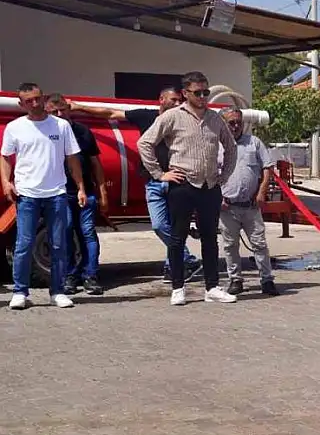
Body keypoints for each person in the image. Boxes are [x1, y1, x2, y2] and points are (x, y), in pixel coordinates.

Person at [71, 87, 202, 282]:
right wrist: (79, 107)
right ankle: (186, 258)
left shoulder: (184, 120)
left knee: (173, 226)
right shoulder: (145, 117)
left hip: (178, 181)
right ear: (161, 99)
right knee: (159, 225)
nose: (177, 104)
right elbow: (111, 113)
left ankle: (173, 266)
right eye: (173, 100)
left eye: (179, 100)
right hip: (154, 181)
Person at [137, 71, 238, 306]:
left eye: (206, 92)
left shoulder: (215, 118)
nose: (203, 97)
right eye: (198, 93)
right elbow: (145, 143)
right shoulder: (172, 116)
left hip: (210, 185)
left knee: (210, 239)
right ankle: (178, 287)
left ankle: (212, 287)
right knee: (177, 237)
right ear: (185, 93)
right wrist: (160, 174)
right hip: (182, 185)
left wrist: (224, 177)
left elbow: (231, 148)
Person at [1, 82, 84, 309]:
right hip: (27, 194)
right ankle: (20, 292)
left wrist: (81, 187)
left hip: (56, 193)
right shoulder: (14, 127)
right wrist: (6, 182)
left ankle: (57, 292)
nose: (35, 104)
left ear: (43, 97)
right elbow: (6, 157)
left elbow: (72, 158)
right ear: (21, 104)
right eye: (29, 101)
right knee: (24, 244)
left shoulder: (60, 126)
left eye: (37, 98)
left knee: (58, 244)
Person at [44, 94, 109, 296]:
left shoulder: (82, 132)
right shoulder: (45, 133)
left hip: (85, 193)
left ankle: (91, 275)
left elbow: (95, 163)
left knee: (87, 233)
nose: (60, 114)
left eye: (63, 109)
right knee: (66, 233)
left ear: (69, 109)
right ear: (47, 112)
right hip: (59, 193)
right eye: (54, 111)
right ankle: (70, 276)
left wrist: (102, 192)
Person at [217, 108, 280, 296]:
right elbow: (209, 174)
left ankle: (267, 279)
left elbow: (268, 168)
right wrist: (217, 198)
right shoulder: (215, 146)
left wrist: (261, 191)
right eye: (231, 122)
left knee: (259, 244)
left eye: (239, 122)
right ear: (222, 124)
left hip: (251, 206)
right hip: (227, 207)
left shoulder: (254, 143)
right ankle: (235, 280)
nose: (236, 126)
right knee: (230, 246)